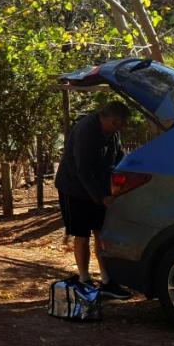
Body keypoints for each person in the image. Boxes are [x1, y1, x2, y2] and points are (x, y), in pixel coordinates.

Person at [55, 101, 132, 300]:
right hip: (74, 188)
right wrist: (101, 197)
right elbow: (84, 170)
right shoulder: (86, 131)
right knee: (82, 235)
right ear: (110, 119)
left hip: (99, 186)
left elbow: (119, 155)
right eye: (118, 124)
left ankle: (107, 280)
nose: (120, 129)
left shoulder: (113, 132)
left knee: (102, 233)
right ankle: (84, 279)